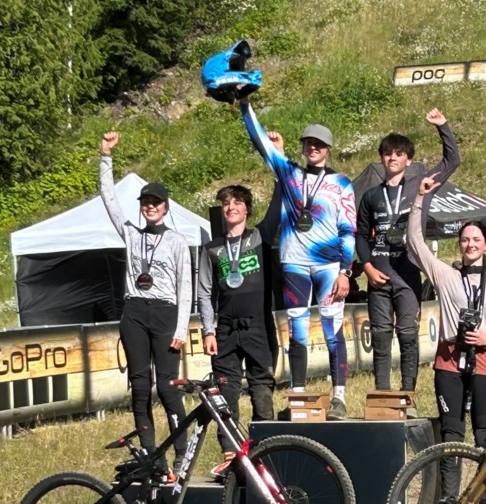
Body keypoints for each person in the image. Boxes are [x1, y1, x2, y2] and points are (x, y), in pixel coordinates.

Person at [239, 97, 356, 420]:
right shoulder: (289, 174)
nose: (313, 148)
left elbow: (349, 228)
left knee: (333, 328)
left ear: (328, 148)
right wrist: (244, 104)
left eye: (319, 144)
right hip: (293, 263)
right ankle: (300, 395)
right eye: (308, 144)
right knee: (297, 329)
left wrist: (346, 270)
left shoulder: (341, 183)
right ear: (303, 147)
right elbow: (261, 142)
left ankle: (339, 398)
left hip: (329, 265)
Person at [406, 176, 486, 504]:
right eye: (464, 239)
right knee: (451, 436)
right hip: (449, 361)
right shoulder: (446, 275)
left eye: (475, 240)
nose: (469, 245)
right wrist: (420, 199)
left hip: (484, 362)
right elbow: (414, 241)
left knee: (485, 439)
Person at [100, 131, 193, 479]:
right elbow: (108, 199)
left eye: (155, 202)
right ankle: (153, 458)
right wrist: (106, 158)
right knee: (140, 387)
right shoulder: (130, 233)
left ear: (166, 207)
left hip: (166, 313)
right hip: (135, 312)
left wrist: (182, 329)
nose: (150, 206)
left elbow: (186, 289)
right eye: (145, 202)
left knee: (168, 388)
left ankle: (182, 453)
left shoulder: (177, 241)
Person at [355, 109, 460, 395]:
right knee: (379, 334)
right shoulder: (370, 196)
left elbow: (453, 160)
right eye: (388, 153)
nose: (393, 158)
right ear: (381, 158)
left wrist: (443, 126)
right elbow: (361, 235)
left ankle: (407, 394)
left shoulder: (421, 184)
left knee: (408, 333)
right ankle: (382, 394)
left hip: (409, 270)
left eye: (399, 153)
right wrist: (366, 266)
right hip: (378, 272)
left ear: (408, 160)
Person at [197, 185, 279, 478]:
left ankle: (264, 453)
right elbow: (205, 293)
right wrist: (208, 330)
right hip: (226, 330)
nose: (231, 207)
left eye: (237, 202)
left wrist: (276, 161)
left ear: (247, 209)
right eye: (226, 203)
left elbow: (277, 205)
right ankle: (231, 456)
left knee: (261, 390)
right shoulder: (212, 249)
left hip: (257, 325)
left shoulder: (260, 237)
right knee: (226, 394)